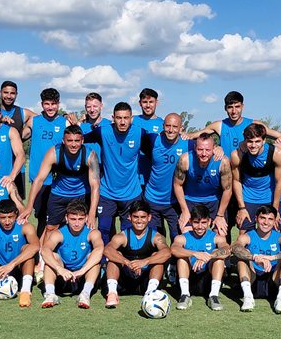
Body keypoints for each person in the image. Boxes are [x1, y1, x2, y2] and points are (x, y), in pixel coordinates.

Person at [84, 102, 145, 243]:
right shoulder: (103, 132)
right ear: (113, 118)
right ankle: (105, 257)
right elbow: (79, 139)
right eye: (119, 118)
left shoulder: (139, 133)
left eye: (126, 118)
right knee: (103, 231)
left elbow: (158, 147)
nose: (122, 122)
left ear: (131, 118)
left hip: (131, 193)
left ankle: (126, 258)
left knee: (129, 233)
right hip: (107, 193)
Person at [21, 125, 100, 235]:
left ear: (82, 140)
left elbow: (95, 186)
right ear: (63, 140)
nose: (73, 144)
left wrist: (92, 213)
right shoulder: (54, 153)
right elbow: (39, 180)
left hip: (81, 195)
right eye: (69, 141)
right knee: (50, 228)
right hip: (58, 194)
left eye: (77, 141)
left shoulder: (90, 155)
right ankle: (45, 247)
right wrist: (29, 206)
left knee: (82, 229)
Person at [102, 199, 173, 308]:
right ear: (129, 217)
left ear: (149, 218)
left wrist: (144, 262)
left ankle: (150, 293)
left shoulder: (156, 237)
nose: (139, 221)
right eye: (135, 217)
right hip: (125, 280)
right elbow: (107, 250)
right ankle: (112, 293)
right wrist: (127, 262)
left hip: (145, 281)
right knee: (115, 256)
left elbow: (167, 253)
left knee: (157, 256)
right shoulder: (122, 236)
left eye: (143, 217)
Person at [230, 205, 281, 314]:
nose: (266, 222)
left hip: (274, 280)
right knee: (242, 259)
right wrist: (254, 257)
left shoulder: (280, 237)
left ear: (275, 221)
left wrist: (273, 257)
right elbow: (235, 247)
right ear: (256, 219)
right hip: (253, 278)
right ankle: (248, 297)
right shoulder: (248, 236)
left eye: (270, 219)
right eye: (262, 218)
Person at [39, 200, 105, 309]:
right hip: (63, 276)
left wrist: (82, 271)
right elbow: (45, 250)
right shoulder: (58, 233)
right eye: (73, 219)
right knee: (52, 257)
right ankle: (50, 294)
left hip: (83, 276)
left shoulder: (92, 233)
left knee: (94, 261)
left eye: (80, 219)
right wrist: (60, 269)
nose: (77, 223)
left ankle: (85, 294)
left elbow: (99, 250)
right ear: (66, 218)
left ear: (86, 218)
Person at [170, 205, 231, 311]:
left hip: (208, 279)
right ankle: (184, 295)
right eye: (196, 222)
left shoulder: (216, 237)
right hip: (190, 279)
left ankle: (214, 296)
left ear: (209, 222)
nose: (199, 227)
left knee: (219, 259)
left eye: (203, 222)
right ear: (190, 221)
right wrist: (195, 254)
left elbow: (227, 250)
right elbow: (174, 249)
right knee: (182, 258)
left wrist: (208, 256)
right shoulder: (182, 237)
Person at [185, 90, 281, 155]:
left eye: (237, 107)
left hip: (246, 172)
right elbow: (193, 135)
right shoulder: (219, 125)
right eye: (230, 107)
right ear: (225, 108)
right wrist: (182, 134)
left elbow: (279, 135)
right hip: (227, 171)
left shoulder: (254, 124)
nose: (234, 111)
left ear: (242, 107)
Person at [173, 133, 232, 237]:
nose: (204, 154)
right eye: (200, 149)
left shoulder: (223, 162)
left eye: (208, 150)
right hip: (191, 199)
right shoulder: (185, 159)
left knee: (221, 233)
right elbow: (177, 185)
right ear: (195, 147)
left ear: (214, 148)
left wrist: (220, 215)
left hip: (214, 200)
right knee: (186, 233)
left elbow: (227, 189)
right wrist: (184, 211)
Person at [140, 113, 188, 238]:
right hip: (152, 199)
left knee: (177, 237)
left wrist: (217, 148)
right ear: (163, 126)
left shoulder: (188, 144)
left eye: (175, 126)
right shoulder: (152, 139)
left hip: (174, 201)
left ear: (181, 128)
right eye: (168, 126)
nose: (171, 130)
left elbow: (206, 147)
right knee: (156, 239)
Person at [230, 123, 281, 233]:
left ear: (264, 140)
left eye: (257, 141)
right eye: (250, 141)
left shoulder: (276, 153)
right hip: (248, 199)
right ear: (245, 141)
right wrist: (242, 208)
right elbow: (236, 181)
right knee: (243, 234)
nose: (253, 145)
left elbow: (279, 182)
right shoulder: (237, 155)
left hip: (269, 198)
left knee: (273, 233)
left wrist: (275, 209)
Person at [25, 88, 65, 236]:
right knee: (41, 217)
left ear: (58, 104)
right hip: (38, 178)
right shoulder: (33, 121)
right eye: (47, 104)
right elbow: (18, 136)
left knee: (58, 219)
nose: (50, 107)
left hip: (58, 179)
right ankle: (39, 248)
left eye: (53, 104)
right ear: (42, 104)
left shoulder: (65, 122)